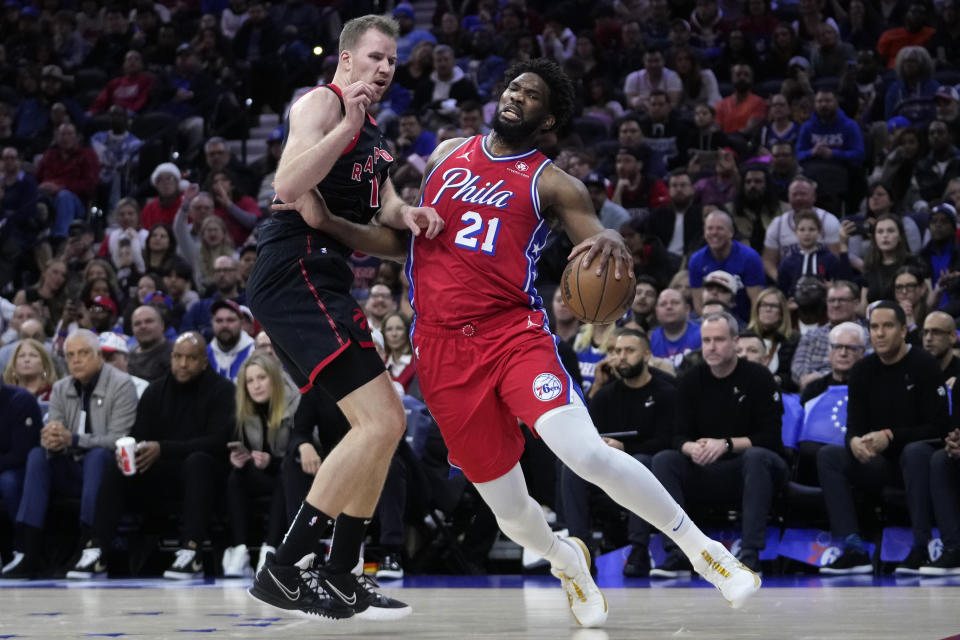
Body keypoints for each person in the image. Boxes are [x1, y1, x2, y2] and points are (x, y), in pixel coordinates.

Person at [281, 56, 763, 624]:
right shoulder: (445, 154)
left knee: (584, 451)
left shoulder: (554, 183)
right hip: (440, 349)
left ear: (549, 119)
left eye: (531, 95)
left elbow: (598, 239)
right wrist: (328, 222)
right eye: (513, 86)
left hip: (512, 334)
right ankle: (566, 559)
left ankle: (705, 552)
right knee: (511, 514)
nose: (516, 96)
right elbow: (405, 240)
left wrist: (609, 238)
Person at [245, 15, 437, 621]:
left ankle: (339, 573)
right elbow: (287, 181)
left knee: (382, 426)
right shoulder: (321, 105)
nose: (385, 69)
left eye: (393, 62)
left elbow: (384, 216)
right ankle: (285, 567)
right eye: (376, 57)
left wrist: (408, 215)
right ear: (348, 59)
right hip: (292, 266)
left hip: (321, 273)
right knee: (381, 423)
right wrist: (345, 125)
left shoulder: (374, 136)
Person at [66, 332, 234, 580]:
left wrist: (163, 448)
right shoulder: (156, 391)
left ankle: (191, 551)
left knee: (198, 462)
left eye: (191, 358)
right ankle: (97, 548)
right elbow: (139, 435)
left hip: (206, 478)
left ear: (204, 361)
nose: (183, 364)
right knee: (117, 466)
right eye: (178, 357)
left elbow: (218, 442)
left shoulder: (223, 390)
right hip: (162, 476)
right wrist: (134, 452)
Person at [817, 302, 950, 575]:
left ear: (903, 330)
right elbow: (854, 425)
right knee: (829, 456)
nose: (879, 333)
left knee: (915, 453)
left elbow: (939, 428)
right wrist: (853, 441)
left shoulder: (924, 364)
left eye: (887, 326)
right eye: (874, 327)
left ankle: (921, 548)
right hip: (879, 463)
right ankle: (854, 549)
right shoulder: (863, 369)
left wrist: (891, 436)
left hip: (918, 462)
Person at [652, 312, 789, 574]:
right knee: (664, 460)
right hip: (706, 467)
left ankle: (750, 554)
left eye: (719, 340)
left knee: (757, 457)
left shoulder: (759, 377)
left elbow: (771, 438)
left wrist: (725, 444)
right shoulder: (691, 379)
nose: (711, 347)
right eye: (706, 340)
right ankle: (679, 553)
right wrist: (690, 448)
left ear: (735, 342)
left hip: (754, 467)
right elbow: (677, 436)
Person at [1, 329, 137, 578]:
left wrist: (72, 439)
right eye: (70, 355)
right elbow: (55, 428)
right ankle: (28, 550)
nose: (76, 360)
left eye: (83, 353)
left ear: (98, 356)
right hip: (72, 468)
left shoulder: (121, 384)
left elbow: (119, 438)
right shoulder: (62, 387)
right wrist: (50, 437)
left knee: (97, 456)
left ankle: (90, 545)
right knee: (37, 456)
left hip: (110, 473)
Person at [559, 329, 675, 578]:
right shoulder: (604, 396)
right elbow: (587, 437)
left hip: (649, 472)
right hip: (608, 470)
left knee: (642, 462)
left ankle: (638, 550)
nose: (621, 357)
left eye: (629, 351)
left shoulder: (666, 392)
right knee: (572, 468)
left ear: (646, 355)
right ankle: (582, 551)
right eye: (616, 351)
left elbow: (670, 441)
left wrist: (627, 450)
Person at [222, 353, 301, 578]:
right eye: (250, 381)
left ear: (274, 379)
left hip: (292, 474)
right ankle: (240, 551)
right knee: (236, 477)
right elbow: (233, 443)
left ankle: (270, 549)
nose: (255, 386)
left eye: (261, 378)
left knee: (284, 475)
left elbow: (301, 448)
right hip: (260, 474)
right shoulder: (242, 408)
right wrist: (237, 459)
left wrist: (272, 461)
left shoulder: (295, 402)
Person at [688, 210, 765, 319]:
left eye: (720, 228)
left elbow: (756, 301)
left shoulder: (750, 258)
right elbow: (698, 305)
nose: (714, 232)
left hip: (744, 318)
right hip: (709, 319)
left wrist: (749, 331)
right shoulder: (696, 260)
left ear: (731, 233)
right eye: (710, 228)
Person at [792, 281, 866, 388]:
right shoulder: (811, 335)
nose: (836, 305)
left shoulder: (867, 335)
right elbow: (797, 369)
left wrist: (822, 377)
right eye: (832, 300)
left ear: (856, 304)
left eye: (842, 300)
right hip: (813, 392)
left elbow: (865, 368)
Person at [649, 288, 701, 370]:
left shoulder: (702, 334)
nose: (669, 307)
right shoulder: (650, 339)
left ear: (687, 309)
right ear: (657, 312)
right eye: (663, 304)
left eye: (675, 303)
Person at [207, 300, 254, 383]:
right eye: (219, 320)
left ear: (241, 323)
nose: (224, 325)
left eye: (230, 320)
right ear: (212, 323)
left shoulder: (255, 351)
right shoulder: (204, 354)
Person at [922, 311, 960, 383]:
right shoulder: (914, 371)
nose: (928, 338)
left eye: (936, 332)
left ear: (953, 337)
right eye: (925, 332)